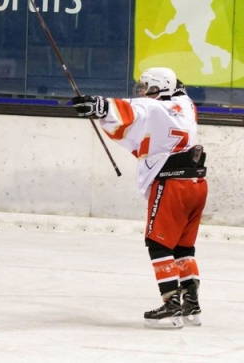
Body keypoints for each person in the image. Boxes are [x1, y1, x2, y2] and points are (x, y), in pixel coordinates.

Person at [72, 67, 205, 329]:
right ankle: (191, 303)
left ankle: (171, 306)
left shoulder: (151, 107)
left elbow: (128, 109)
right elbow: (156, 106)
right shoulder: (186, 105)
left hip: (172, 182)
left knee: (158, 244)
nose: (143, 92)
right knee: (182, 247)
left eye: (147, 87)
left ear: (160, 89)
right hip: (197, 183)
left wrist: (99, 106)